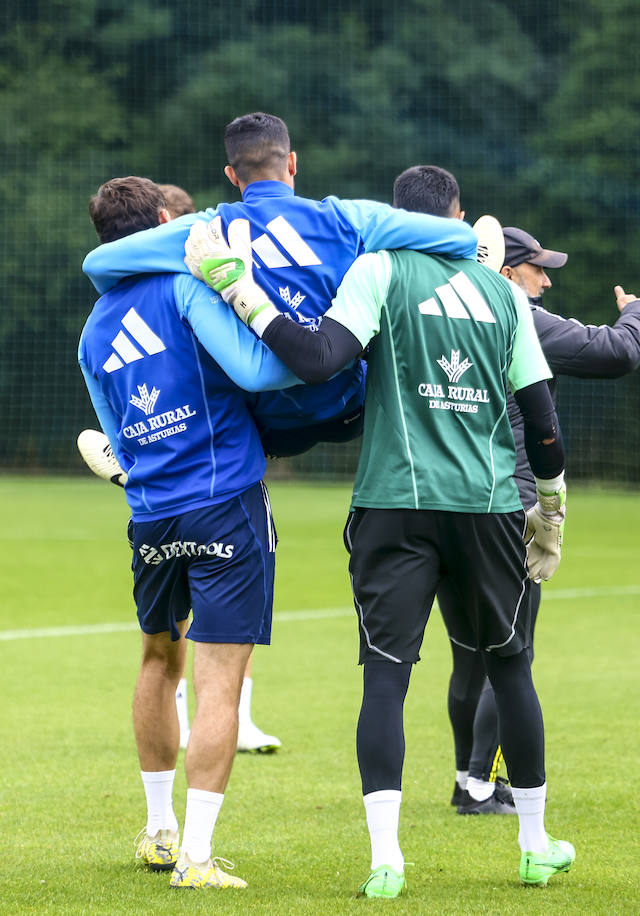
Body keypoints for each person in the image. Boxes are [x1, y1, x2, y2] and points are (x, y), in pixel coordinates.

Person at [184, 163, 577, 896]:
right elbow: (544, 425)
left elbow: (318, 358)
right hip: (488, 506)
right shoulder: (502, 292)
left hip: (391, 505)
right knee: (510, 667)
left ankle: (385, 859)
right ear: (457, 217)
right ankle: (534, 844)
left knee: (386, 679)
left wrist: (238, 286)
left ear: (399, 217)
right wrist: (549, 508)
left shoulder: (378, 268)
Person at [81, 115, 478, 752]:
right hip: (349, 403)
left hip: (263, 422)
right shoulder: (351, 217)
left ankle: (140, 458)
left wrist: (187, 245)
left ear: (232, 176)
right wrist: (473, 240)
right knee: (386, 319)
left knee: (208, 361)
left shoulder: (210, 225)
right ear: (293, 165)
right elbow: (452, 239)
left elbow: (101, 260)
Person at [78, 177, 302, 889]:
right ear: (168, 221)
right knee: (220, 684)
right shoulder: (184, 291)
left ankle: (158, 832)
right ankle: (197, 859)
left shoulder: (91, 332)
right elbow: (256, 372)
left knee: (157, 664)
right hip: (224, 503)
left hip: (150, 514)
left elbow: (117, 440)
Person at [450, 223, 640, 815]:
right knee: (512, 653)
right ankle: (480, 788)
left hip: (445, 500)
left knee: (470, 654)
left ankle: (468, 780)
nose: (546, 278)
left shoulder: (442, 308)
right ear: (509, 271)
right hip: (510, 504)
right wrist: (639, 311)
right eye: (538, 267)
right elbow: (617, 351)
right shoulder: (519, 316)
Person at [155, 180, 279, 754]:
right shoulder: (179, 296)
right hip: (213, 485)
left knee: (223, 620)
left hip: (183, 490)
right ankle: (185, 717)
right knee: (201, 622)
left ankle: (234, 721)